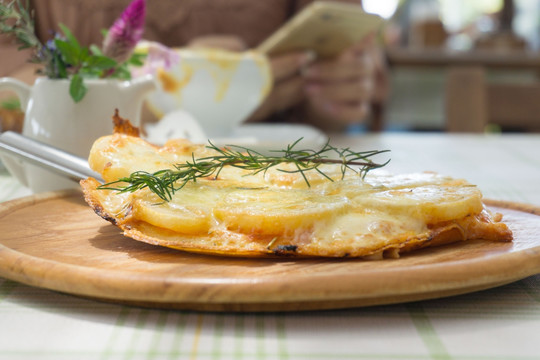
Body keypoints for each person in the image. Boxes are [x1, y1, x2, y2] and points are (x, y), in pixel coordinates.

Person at [1, 0, 386, 132]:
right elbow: (7, 98)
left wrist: (335, 89)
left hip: (277, 178)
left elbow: (353, 57)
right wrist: (158, 99)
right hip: (70, 187)